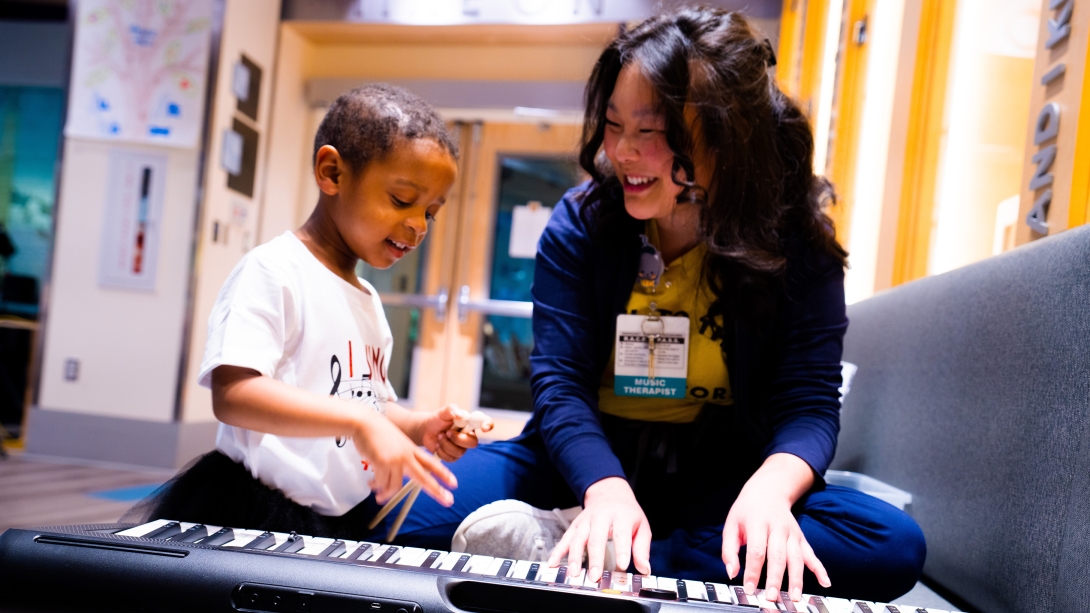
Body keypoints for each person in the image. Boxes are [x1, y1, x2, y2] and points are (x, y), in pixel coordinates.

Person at [378, 8, 926, 605]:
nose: (622, 152)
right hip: (585, 461)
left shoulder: (793, 240)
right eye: (614, 126)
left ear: (724, 133)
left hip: (724, 478)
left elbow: (810, 403)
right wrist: (605, 489)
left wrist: (770, 491)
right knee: (403, 519)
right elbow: (559, 385)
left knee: (889, 544)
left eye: (651, 131)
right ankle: (623, 538)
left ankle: (603, 553)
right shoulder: (581, 223)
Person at [128, 84, 490, 539]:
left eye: (431, 213)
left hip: (336, 517)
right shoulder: (274, 269)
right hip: (255, 510)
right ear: (332, 172)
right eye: (402, 200)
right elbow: (234, 394)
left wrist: (420, 427)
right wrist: (356, 421)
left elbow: (371, 405)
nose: (418, 225)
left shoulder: (369, 301)